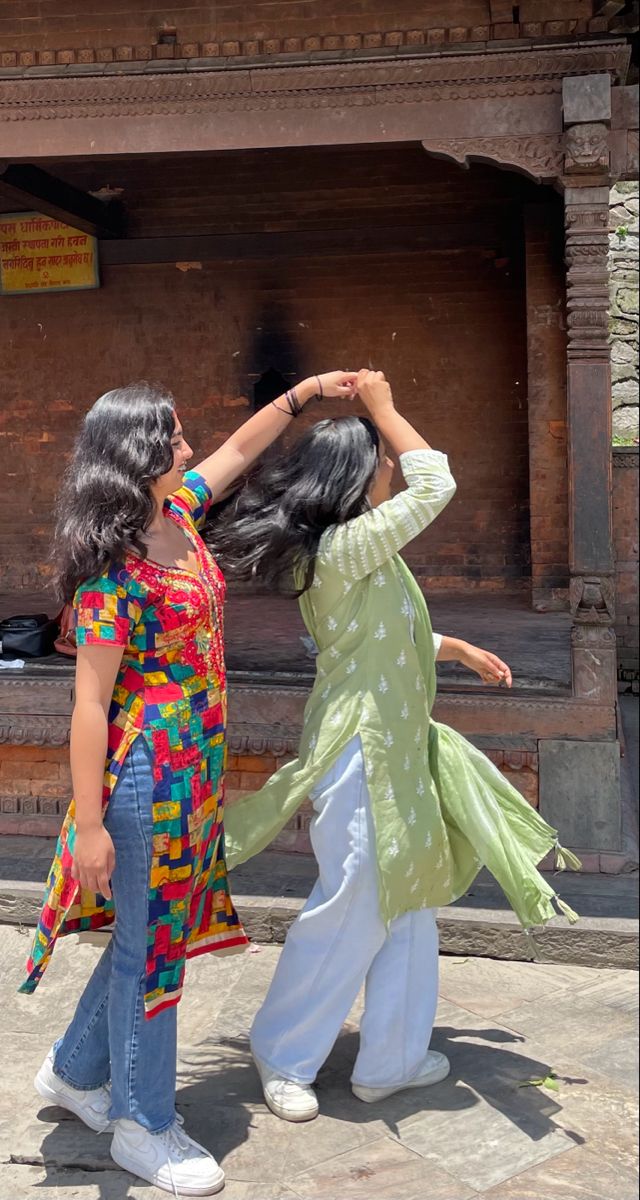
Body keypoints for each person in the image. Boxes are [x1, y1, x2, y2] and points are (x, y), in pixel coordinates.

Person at [19, 371, 358, 1196]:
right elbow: (90, 705)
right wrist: (91, 824)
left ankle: (73, 1073)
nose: (186, 446)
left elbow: (239, 453)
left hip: (190, 777)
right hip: (141, 783)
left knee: (144, 939)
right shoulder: (114, 575)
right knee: (154, 953)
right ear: (136, 454)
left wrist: (304, 394)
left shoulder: (176, 515)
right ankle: (144, 1123)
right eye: (170, 437)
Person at [214, 369, 580, 1124]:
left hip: (397, 750)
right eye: (381, 456)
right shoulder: (344, 547)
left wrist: (458, 648)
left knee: (407, 901)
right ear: (355, 475)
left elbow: (387, 637)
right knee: (353, 903)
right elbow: (436, 481)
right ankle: (283, 1052)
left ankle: (393, 1060)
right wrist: (382, 406)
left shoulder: (370, 557)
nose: (393, 463)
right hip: (357, 753)